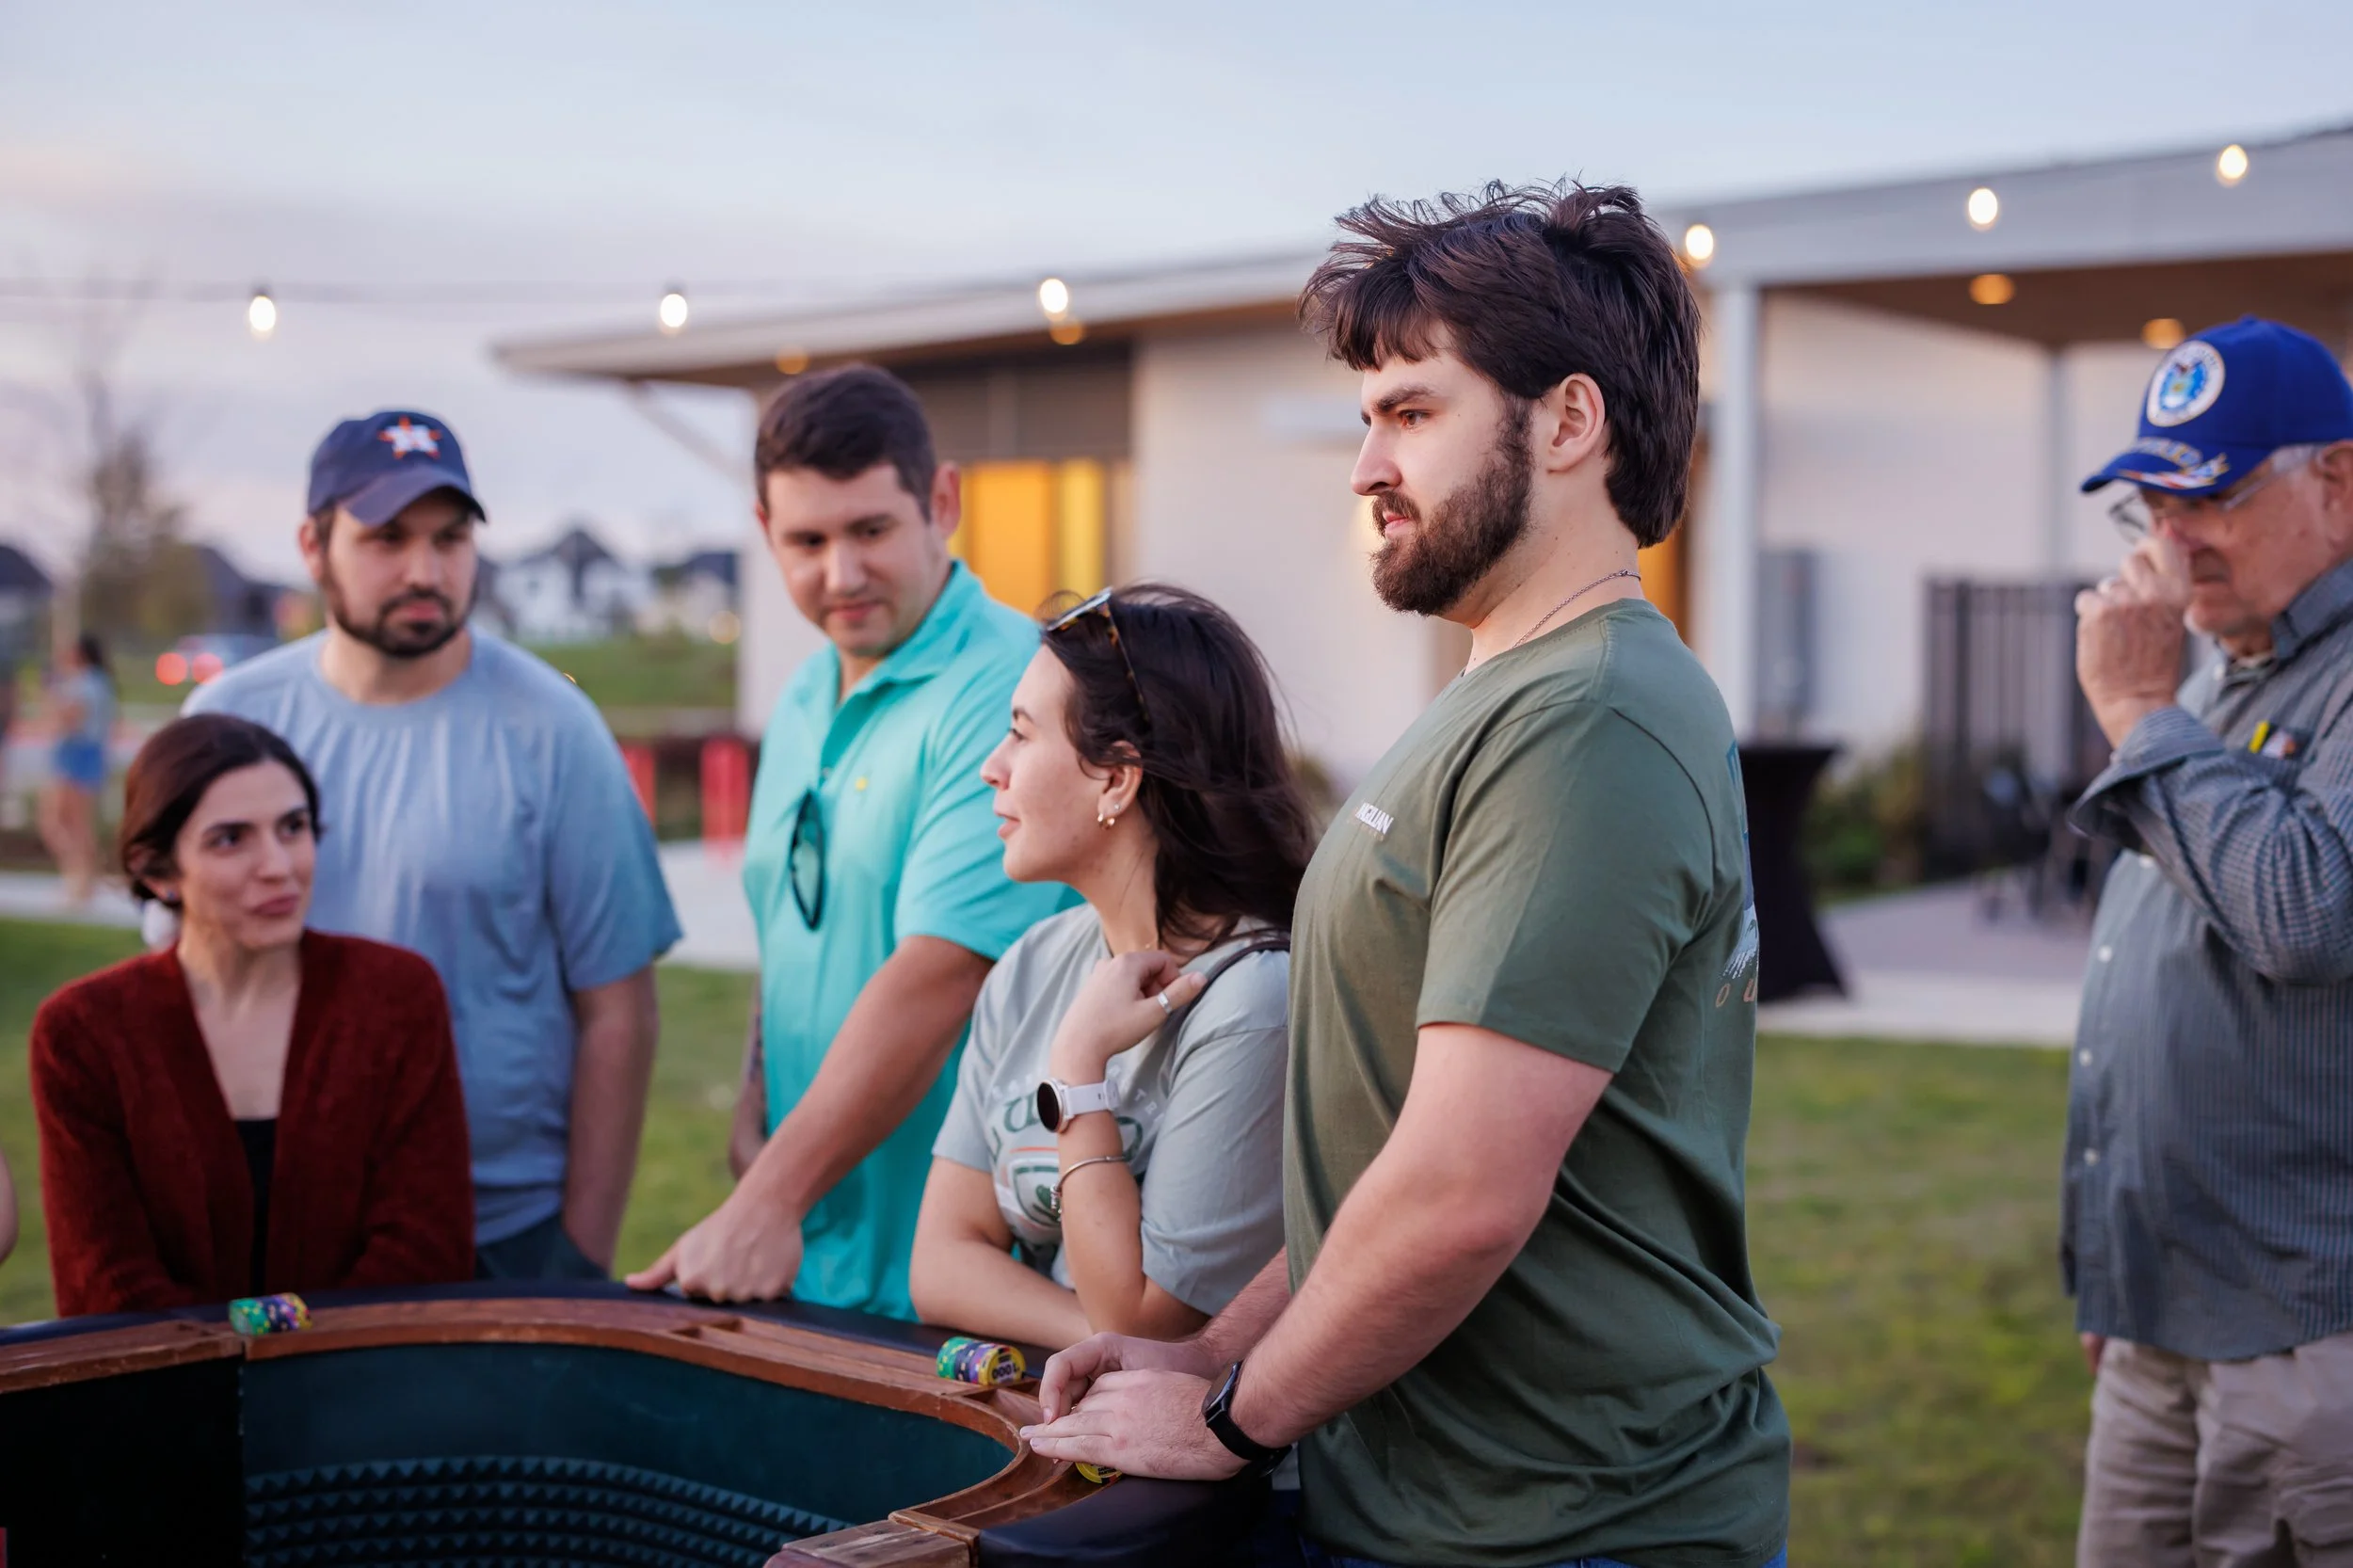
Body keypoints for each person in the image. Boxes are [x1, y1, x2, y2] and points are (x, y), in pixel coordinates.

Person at [1022, 182, 1790, 1568]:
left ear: (1568, 421)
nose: (1367, 465)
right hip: (1443, 1507)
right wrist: (1214, 1358)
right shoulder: (1509, 693)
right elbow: (1378, 1158)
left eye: (1413, 412)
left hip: (1563, 1527)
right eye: (1367, 417)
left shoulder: (1588, 719)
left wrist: (1235, 1424)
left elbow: (1458, 1191)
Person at [185, 410, 679, 1281]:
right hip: (276, 1217)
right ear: (313, 545)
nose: (426, 570)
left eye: (451, 538)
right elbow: (183, 985)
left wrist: (577, 1259)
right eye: (387, 538)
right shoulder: (229, 724)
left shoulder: (554, 727)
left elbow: (619, 1010)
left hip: (501, 1230)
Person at [629, 365, 1072, 1315]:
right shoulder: (800, 696)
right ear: (763, 534)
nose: (841, 573)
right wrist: (755, 1112)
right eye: (807, 539)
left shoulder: (1010, 689)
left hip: (962, 1283)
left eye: (870, 530)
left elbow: (942, 972)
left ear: (940, 501)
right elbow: (792, 921)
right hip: (815, 1249)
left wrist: (764, 1197)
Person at [2063, 316, 2353, 1567]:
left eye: (2214, 495)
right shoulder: (2213, 684)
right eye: (2151, 501)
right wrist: (2113, 1265)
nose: (2173, 538)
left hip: (2304, 1339)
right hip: (2153, 1324)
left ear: (2337, 480)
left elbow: (2304, 915)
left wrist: (2130, 709)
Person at [909, 584, 1313, 1349]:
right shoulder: (1033, 965)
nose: (991, 768)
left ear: (1117, 778)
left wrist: (1078, 1072)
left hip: (1200, 1466)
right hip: (1066, 1433)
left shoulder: (1255, 1002)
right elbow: (939, 1262)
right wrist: (1101, 1342)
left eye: (1022, 736)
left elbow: (1144, 1318)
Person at [30, 713, 472, 1315]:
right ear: (157, 871)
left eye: (293, 827)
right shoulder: (84, 1032)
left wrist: (273, 1347)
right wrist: (255, 1348)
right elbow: (105, 1281)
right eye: (231, 839)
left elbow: (426, 1250)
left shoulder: (396, 997)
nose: (279, 865)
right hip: (165, 1402)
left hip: (369, 1388)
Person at [38, 632, 113, 904]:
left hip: (76, 753)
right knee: (72, 823)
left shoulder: (85, 683)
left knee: (66, 822)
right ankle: (81, 880)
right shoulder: (96, 682)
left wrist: (52, 696)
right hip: (83, 753)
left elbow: (71, 719)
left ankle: (80, 881)